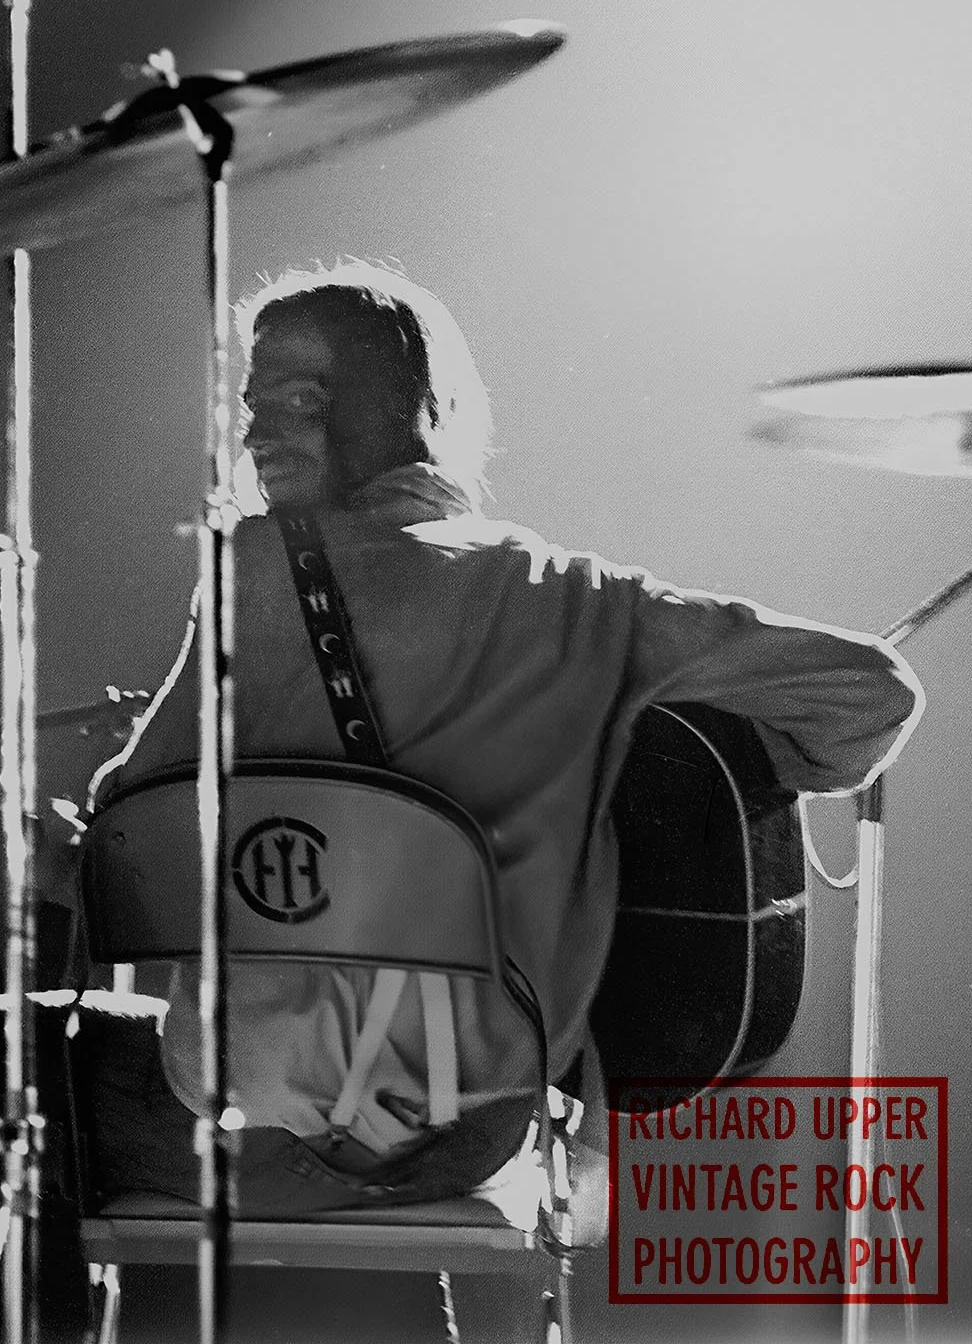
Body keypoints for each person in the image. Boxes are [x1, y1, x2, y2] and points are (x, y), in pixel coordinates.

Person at [84, 258, 922, 1240]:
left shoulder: (250, 579)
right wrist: (683, 762)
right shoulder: (576, 599)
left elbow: (127, 832)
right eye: (252, 400)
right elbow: (871, 694)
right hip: (474, 1131)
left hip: (252, 1122)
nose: (258, 428)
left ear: (393, 407)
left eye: (300, 399)